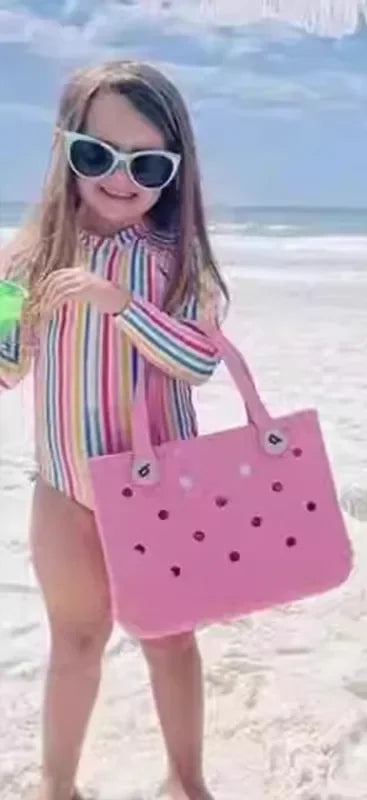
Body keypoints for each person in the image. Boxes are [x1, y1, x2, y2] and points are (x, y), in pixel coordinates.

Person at [0, 60, 226, 800]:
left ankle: (186, 780)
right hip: (64, 487)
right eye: (98, 155)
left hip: (164, 486)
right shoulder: (26, 260)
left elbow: (199, 360)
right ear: (66, 149)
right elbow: (6, 366)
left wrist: (120, 305)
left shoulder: (177, 261)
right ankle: (56, 785)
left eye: (148, 162)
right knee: (75, 641)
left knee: (169, 640)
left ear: (175, 169)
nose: (121, 177)